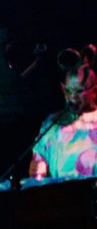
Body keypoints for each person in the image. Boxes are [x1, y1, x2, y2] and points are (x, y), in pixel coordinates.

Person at [30, 45, 97, 181]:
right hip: (62, 194)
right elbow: (38, 163)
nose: (72, 97)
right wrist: (38, 177)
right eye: (68, 91)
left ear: (94, 90)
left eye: (79, 91)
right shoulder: (52, 124)